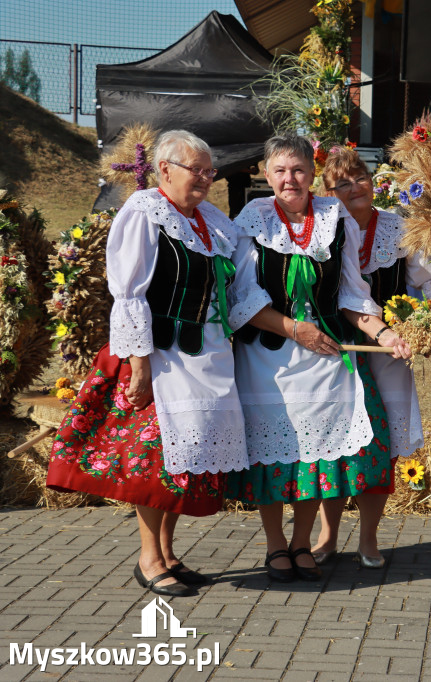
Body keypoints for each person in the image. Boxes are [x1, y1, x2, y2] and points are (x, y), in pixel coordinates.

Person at [47, 130, 247, 597]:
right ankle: (148, 557)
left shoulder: (213, 222)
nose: (204, 179)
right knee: (154, 462)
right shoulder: (144, 212)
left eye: (208, 171)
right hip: (158, 355)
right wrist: (139, 364)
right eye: (195, 170)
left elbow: (230, 288)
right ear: (164, 170)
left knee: (185, 459)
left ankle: (169, 553)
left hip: (204, 356)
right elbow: (129, 291)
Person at [225, 134, 411, 583]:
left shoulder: (333, 216)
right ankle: (275, 546)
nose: (290, 179)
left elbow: (350, 290)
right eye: (280, 171)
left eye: (299, 170)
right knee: (272, 455)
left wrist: (383, 333)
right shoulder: (252, 218)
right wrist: (293, 328)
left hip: (325, 357)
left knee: (314, 455)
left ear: (312, 173)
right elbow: (242, 297)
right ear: (266, 175)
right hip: (269, 356)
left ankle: (303, 543)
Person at [310, 148, 431, 567]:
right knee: (335, 442)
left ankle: (369, 538)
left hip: (388, 349)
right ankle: (327, 535)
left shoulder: (398, 227)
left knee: (383, 444)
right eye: (341, 182)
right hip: (336, 348)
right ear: (327, 191)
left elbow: (430, 281)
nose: (353, 187)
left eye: (360, 177)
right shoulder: (322, 230)